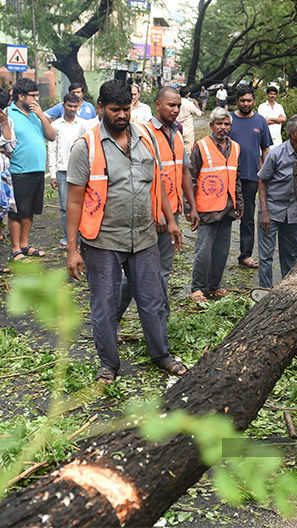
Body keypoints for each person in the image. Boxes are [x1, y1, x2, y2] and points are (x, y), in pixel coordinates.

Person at [66, 80, 185, 384]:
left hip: (144, 237)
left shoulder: (146, 138)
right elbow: (75, 201)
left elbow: (157, 183)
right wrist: (72, 250)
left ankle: (161, 354)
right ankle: (108, 365)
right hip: (103, 239)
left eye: (126, 109)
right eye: (115, 110)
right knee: (104, 304)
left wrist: (170, 220)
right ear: (100, 108)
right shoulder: (86, 147)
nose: (122, 115)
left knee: (153, 300)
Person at [118, 86, 199, 322]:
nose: (175, 110)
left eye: (178, 106)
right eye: (170, 105)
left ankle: (159, 321)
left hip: (171, 212)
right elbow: (140, 179)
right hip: (152, 217)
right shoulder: (143, 134)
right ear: (158, 104)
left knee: (162, 272)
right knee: (137, 275)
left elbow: (183, 170)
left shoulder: (176, 133)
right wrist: (158, 213)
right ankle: (114, 320)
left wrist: (190, 205)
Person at [189, 107, 243, 303]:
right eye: (219, 123)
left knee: (221, 252)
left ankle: (214, 286)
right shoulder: (200, 147)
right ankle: (197, 289)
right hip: (207, 210)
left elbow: (236, 179)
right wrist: (191, 209)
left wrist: (239, 203)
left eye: (226, 124)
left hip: (227, 209)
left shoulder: (236, 148)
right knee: (203, 252)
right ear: (211, 125)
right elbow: (191, 179)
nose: (223, 127)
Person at [257, 115, 297, 288]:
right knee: (266, 256)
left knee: (291, 255)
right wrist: (264, 211)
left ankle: (287, 290)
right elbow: (262, 181)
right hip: (272, 210)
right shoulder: (276, 154)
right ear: (293, 134)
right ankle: (264, 291)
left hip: (293, 212)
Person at [7, 78, 57, 261]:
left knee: (30, 211)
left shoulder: (36, 115)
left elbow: (51, 136)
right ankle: (15, 249)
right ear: (21, 96)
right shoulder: (8, 114)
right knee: (17, 211)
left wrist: (42, 116)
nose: (36, 100)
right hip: (18, 170)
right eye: (33, 96)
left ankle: (24, 245)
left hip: (37, 170)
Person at [229, 86, 272, 269]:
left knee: (247, 217)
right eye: (242, 100)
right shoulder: (228, 120)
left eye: (249, 100)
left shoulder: (260, 121)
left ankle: (245, 255)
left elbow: (266, 149)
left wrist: (267, 172)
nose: (245, 103)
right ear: (237, 101)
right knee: (224, 214)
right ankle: (218, 253)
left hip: (251, 176)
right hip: (229, 176)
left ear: (254, 101)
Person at [48, 92, 88, 247]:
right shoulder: (55, 126)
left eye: (75, 106)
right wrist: (53, 174)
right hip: (62, 170)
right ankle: (68, 238)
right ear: (63, 105)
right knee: (65, 207)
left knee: (82, 204)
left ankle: (82, 237)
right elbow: (52, 150)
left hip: (81, 170)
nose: (72, 109)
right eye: (69, 106)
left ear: (79, 107)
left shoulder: (83, 125)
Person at [0, 89, 17, 235]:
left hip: (3, 171)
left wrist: (5, 124)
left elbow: (11, 148)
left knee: (3, 205)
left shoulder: (8, 121)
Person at [177, 86, 204, 154]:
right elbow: (199, 114)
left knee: (177, 149)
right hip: (187, 130)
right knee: (188, 150)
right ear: (188, 94)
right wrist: (196, 104)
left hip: (176, 129)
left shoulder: (175, 102)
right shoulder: (189, 104)